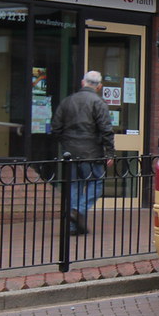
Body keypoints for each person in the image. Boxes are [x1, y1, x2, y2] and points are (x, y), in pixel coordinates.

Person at [50, 70, 115, 234]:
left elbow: (56, 127)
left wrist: (67, 144)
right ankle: (78, 210)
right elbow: (106, 130)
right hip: (91, 153)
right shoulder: (98, 103)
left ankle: (74, 224)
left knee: (74, 186)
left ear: (82, 82)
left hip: (70, 153)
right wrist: (110, 153)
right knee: (96, 184)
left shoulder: (67, 102)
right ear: (99, 86)